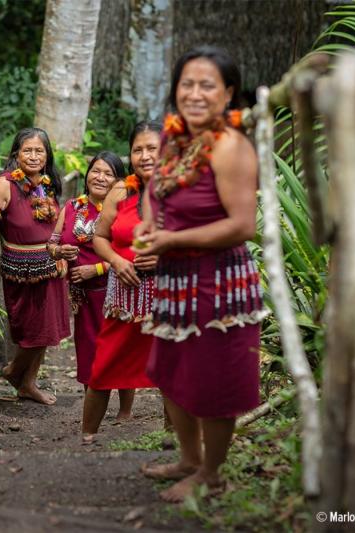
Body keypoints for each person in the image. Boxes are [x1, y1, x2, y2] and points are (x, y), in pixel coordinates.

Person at [133, 45, 268, 502]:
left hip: (218, 280)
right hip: (175, 279)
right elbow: (154, 189)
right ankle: (189, 459)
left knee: (212, 376)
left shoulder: (231, 146)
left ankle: (211, 473)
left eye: (206, 84)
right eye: (186, 83)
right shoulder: (176, 140)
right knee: (171, 370)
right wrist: (151, 221)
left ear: (228, 93)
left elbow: (242, 225)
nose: (194, 93)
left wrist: (170, 241)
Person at [0, 128, 70, 405]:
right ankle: (13, 372)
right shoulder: (5, 184)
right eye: (28, 150)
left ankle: (27, 383)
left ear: (47, 155)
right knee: (32, 332)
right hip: (23, 272)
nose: (34, 156)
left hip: (52, 267)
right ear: (16, 154)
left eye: (40, 151)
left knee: (47, 332)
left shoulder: (47, 183)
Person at [81, 125, 160, 439]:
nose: (145, 156)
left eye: (152, 148)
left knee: (171, 370)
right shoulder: (120, 191)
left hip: (167, 296)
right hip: (125, 297)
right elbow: (99, 237)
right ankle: (87, 437)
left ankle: (172, 440)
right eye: (138, 149)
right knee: (104, 367)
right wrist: (115, 261)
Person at [50, 152, 121, 405]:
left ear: (118, 181)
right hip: (82, 296)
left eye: (108, 173)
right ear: (87, 174)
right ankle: (94, 405)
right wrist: (59, 251)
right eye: (95, 171)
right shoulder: (71, 207)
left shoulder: (122, 210)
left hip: (113, 290)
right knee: (88, 347)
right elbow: (53, 241)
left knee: (117, 349)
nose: (100, 178)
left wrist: (97, 269)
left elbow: (129, 255)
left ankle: (125, 412)